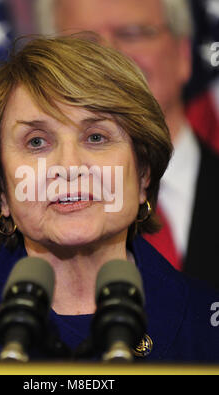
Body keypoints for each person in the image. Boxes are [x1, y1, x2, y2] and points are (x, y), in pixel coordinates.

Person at [0, 36, 218, 362]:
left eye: (96, 136)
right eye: (36, 142)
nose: (69, 166)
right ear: (3, 190)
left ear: (143, 174)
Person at [33, 0, 219, 290]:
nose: (110, 57)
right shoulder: (5, 211)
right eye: (84, 43)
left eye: (133, 33)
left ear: (183, 54)